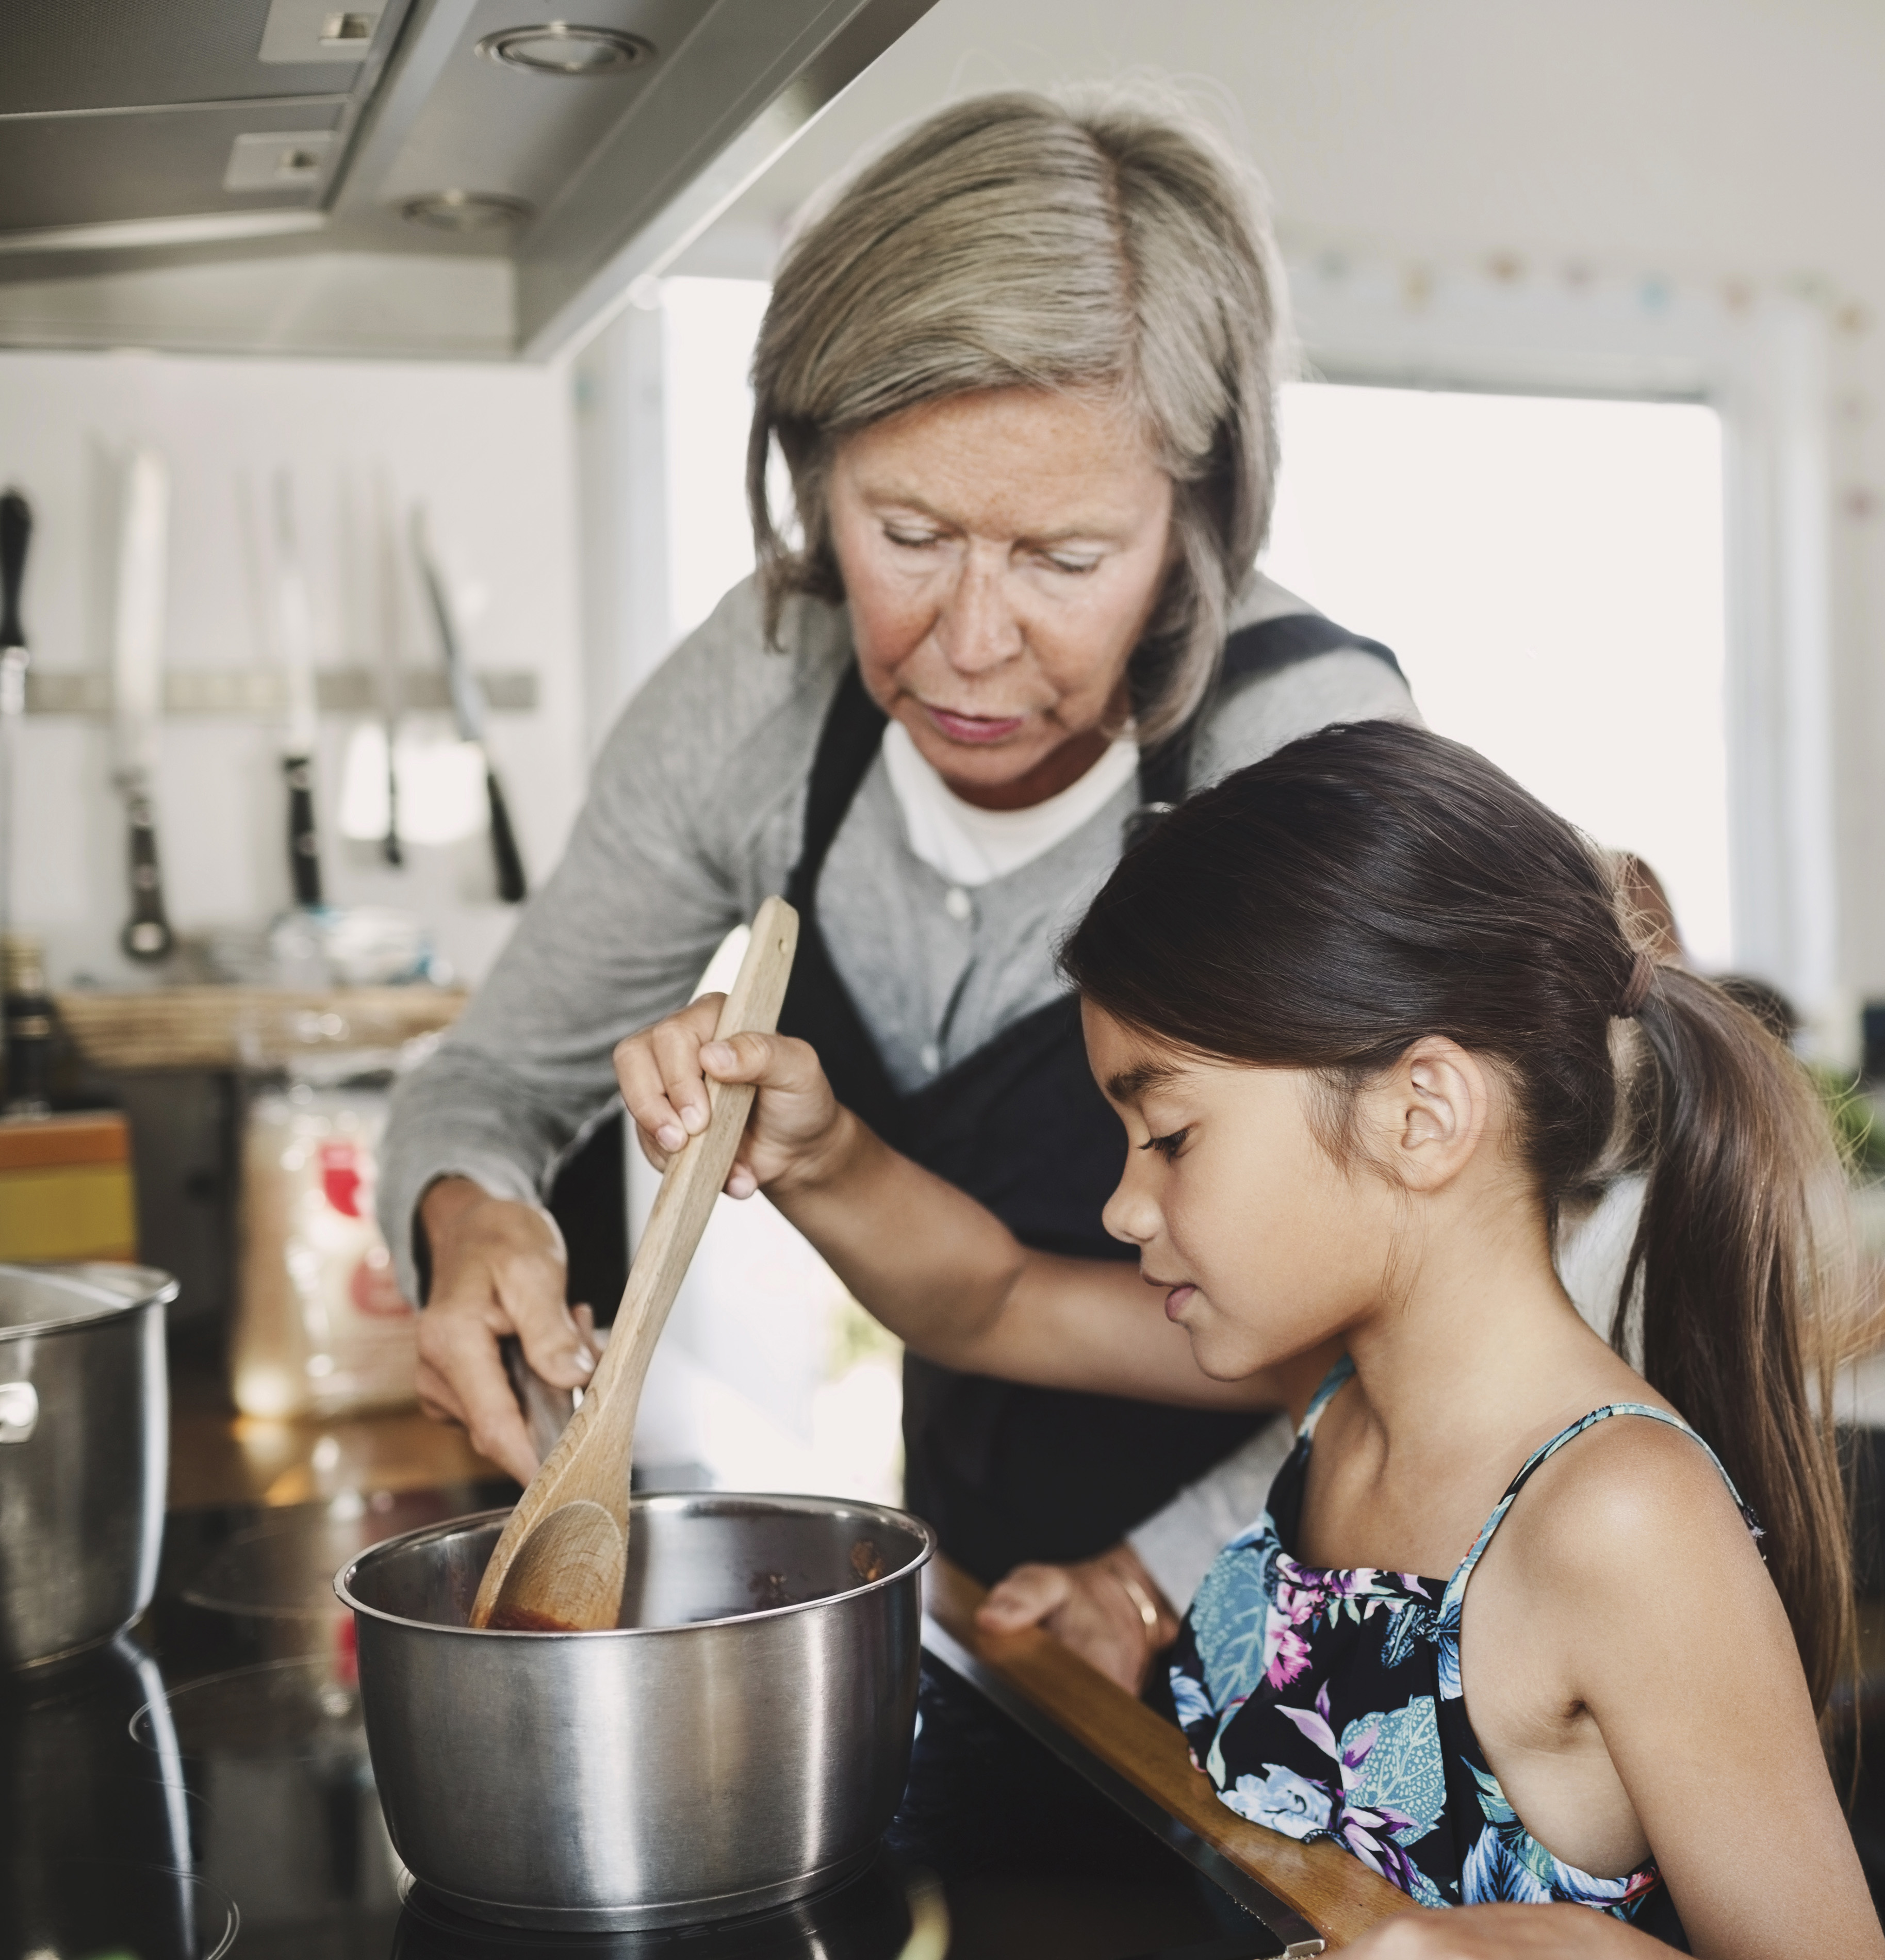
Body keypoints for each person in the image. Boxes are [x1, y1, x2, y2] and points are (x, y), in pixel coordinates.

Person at [376, 87, 1415, 1688]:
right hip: (988, 1581)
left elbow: (1440, 1316)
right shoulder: (760, 694)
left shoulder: (1300, 752)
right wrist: (471, 1220)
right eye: (907, 531)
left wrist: (1163, 1572)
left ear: (1192, 516)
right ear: (813, 470)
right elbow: (490, 1084)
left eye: (1065, 558)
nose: (973, 641)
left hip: (1327, 1581)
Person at [611, 722, 1885, 1956]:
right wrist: (815, 1148)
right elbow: (990, 1299)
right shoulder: (1337, 1388)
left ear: (1420, 1112)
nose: (1123, 1202)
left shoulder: (1618, 1516)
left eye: (1167, 1135)